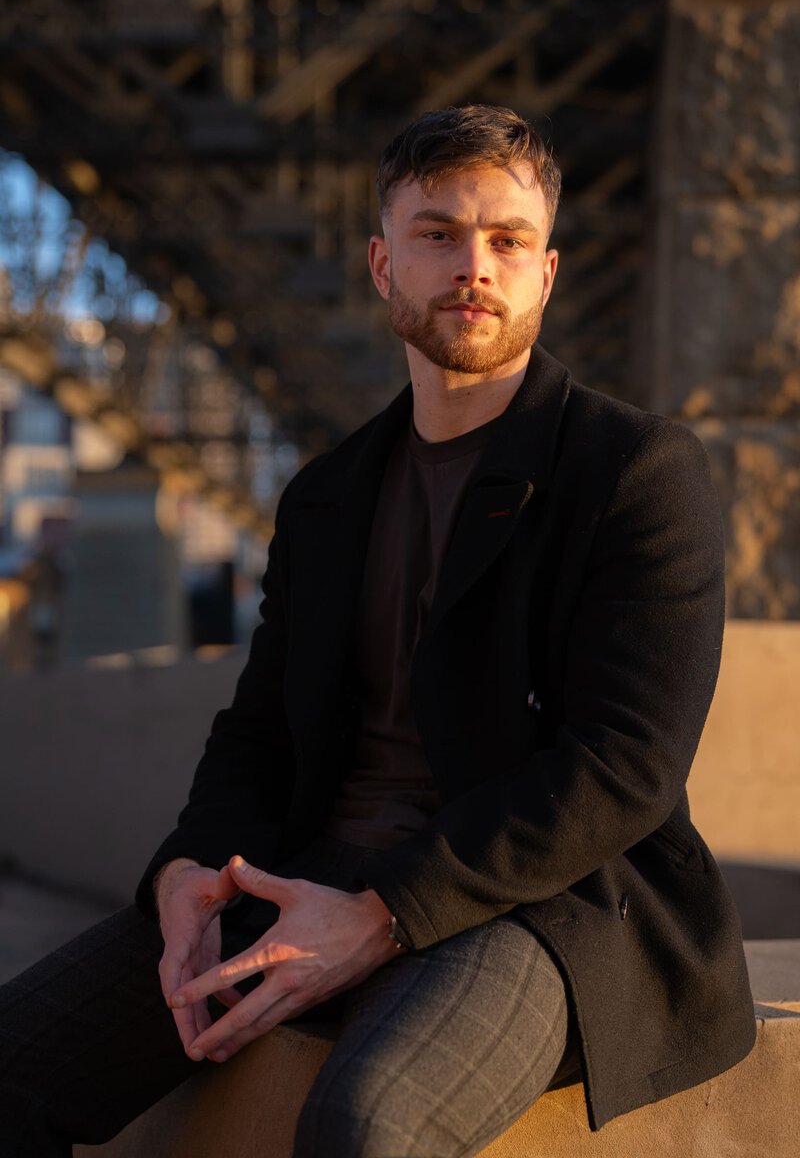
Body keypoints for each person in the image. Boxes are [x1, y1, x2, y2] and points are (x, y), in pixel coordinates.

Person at [0, 104, 755, 1157]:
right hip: (308, 870)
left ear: (543, 273)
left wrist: (384, 910)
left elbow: (624, 766)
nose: (471, 266)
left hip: (534, 905)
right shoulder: (328, 494)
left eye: (504, 241)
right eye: (436, 233)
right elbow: (258, 732)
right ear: (380, 263)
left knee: (366, 1126)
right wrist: (183, 876)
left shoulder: (633, 473)